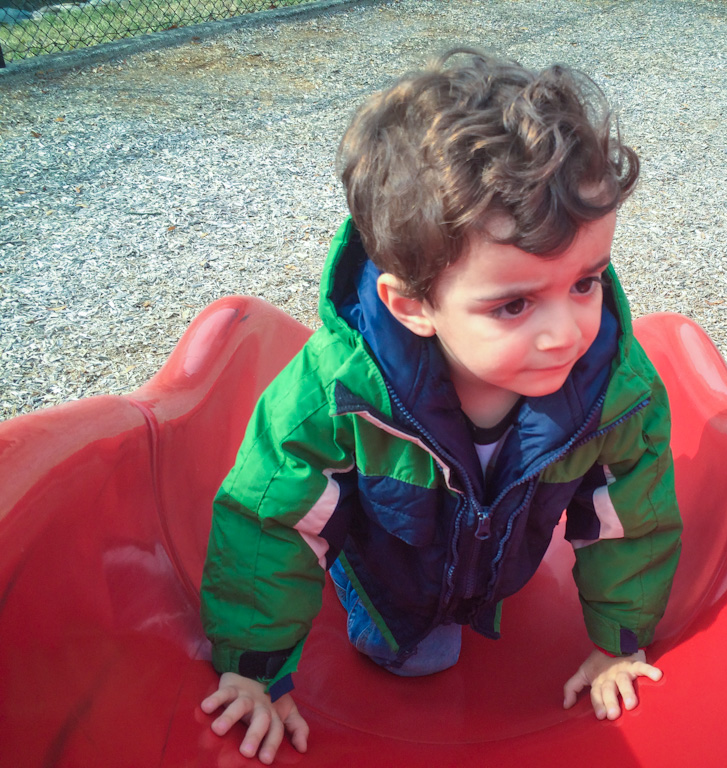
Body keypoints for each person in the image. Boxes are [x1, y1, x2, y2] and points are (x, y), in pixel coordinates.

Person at [199, 48, 682, 764]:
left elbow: (631, 521)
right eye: (514, 304)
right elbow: (268, 518)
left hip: (498, 552)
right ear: (414, 306)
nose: (567, 333)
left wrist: (619, 643)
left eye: (585, 283)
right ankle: (358, 585)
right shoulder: (340, 394)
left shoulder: (615, 391)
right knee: (419, 657)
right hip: (396, 567)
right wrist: (254, 671)